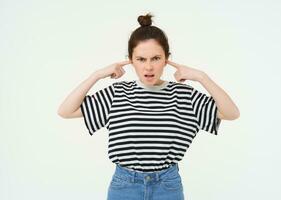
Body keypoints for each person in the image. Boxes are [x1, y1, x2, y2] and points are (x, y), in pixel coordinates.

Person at [57, 12, 240, 200]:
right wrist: (96, 75)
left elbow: (231, 113)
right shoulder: (117, 93)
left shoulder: (185, 95)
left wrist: (202, 77)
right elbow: (65, 110)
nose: (149, 67)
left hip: (167, 186)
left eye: (156, 58)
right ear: (131, 60)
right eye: (141, 59)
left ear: (167, 59)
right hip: (124, 186)